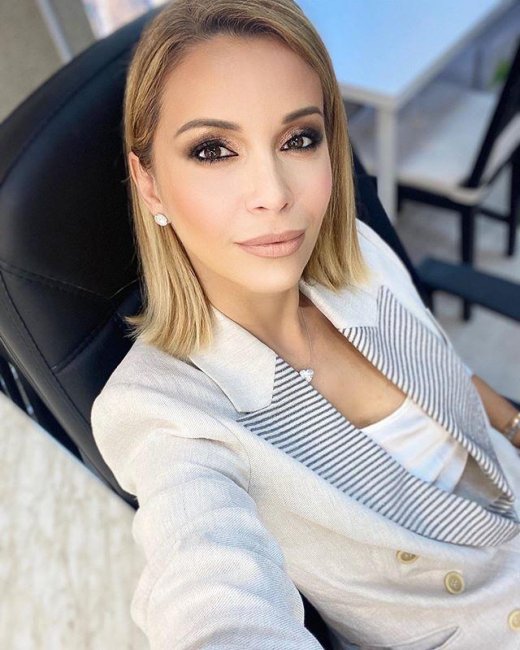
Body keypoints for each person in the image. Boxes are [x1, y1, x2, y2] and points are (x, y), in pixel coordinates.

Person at [90, 1, 520, 648]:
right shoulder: (164, 413)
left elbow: (449, 370)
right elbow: (209, 593)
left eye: (299, 139)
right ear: (148, 183)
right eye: (213, 150)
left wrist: (513, 425)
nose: (274, 194)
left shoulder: (361, 257)